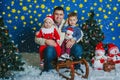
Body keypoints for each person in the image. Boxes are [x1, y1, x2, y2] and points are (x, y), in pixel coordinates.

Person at [35, 6, 83, 71]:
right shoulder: (48, 23)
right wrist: (45, 41)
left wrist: (74, 40)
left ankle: (76, 66)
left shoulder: (67, 22)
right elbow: (37, 39)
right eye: (56, 14)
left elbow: (80, 33)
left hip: (66, 47)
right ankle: (48, 68)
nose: (58, 16)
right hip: (54, 48)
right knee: (49, 50)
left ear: (63, 15)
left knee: (78, 48)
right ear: (53, 14)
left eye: (61, 14)